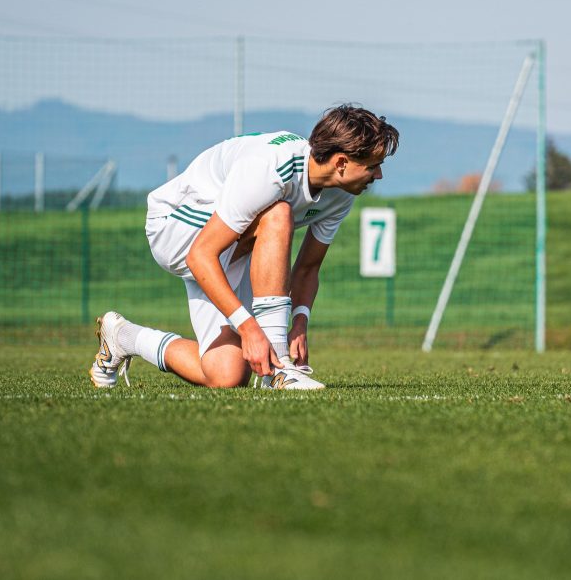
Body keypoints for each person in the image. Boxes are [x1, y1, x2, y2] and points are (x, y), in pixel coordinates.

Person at [89, 104, 399, 390]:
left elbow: (307, 267)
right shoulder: (272, 168)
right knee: (278, 213)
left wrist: (300, 322)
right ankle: (280, 370)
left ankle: (123, 337)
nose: (379, 175)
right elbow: (200, 254)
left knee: (227, 375)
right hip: (176, 228)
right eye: (373, 165)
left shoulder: (342, 194)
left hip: (227, 246)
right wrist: (249, 328)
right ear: (342, 163)